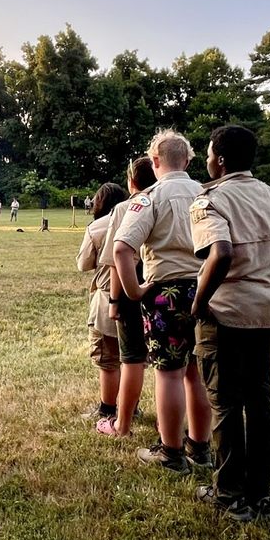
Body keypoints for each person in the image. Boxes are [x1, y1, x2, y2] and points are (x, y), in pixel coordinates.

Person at [190, 125, 270, 522]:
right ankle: (261, 491)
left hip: (224, 315)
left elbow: (220, 253)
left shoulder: (211, 200)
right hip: (266, 315)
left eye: (209, 153)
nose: (207, 160)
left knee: (224, 403)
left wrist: (197, 304)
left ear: (220, 159)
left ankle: (228, 494)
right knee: (260, 401)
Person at [109, 131, 213, 475]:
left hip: (166, 292)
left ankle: (171, 453)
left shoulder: (150, 197)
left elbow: (122, 248)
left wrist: (135, 290)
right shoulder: (207, 193)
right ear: (187, 160)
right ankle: (200, 447)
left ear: (155, 161)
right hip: (207, 289)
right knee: (197, 372)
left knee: (169, 374)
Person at [96, 156, 157, 431]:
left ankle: (122, 423)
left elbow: (115, 259)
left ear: (131, 181)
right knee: (177, 367)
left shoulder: (124, 208)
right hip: (168, 286)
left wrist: (114, 300)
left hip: (133, 290)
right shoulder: (175, 199)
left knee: (131, 359)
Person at [76, 182, 128, 432]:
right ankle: (131, 404)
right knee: (131, 359)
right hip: (139, 296)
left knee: (108, 359)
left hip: (107, 299)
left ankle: (107, 408)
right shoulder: (141, 220)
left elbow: (83, 264)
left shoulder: (97, 227)